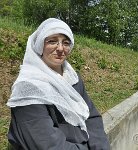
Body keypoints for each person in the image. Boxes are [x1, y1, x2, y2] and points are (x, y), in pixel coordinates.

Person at [7, 18, 110, 150]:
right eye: (52, 41)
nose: (60, 48)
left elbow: (91, 116)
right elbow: (46, 144)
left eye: (66, 43)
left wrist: (101, 147)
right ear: (40, 44)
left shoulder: (72, 78)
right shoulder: (28, 87)